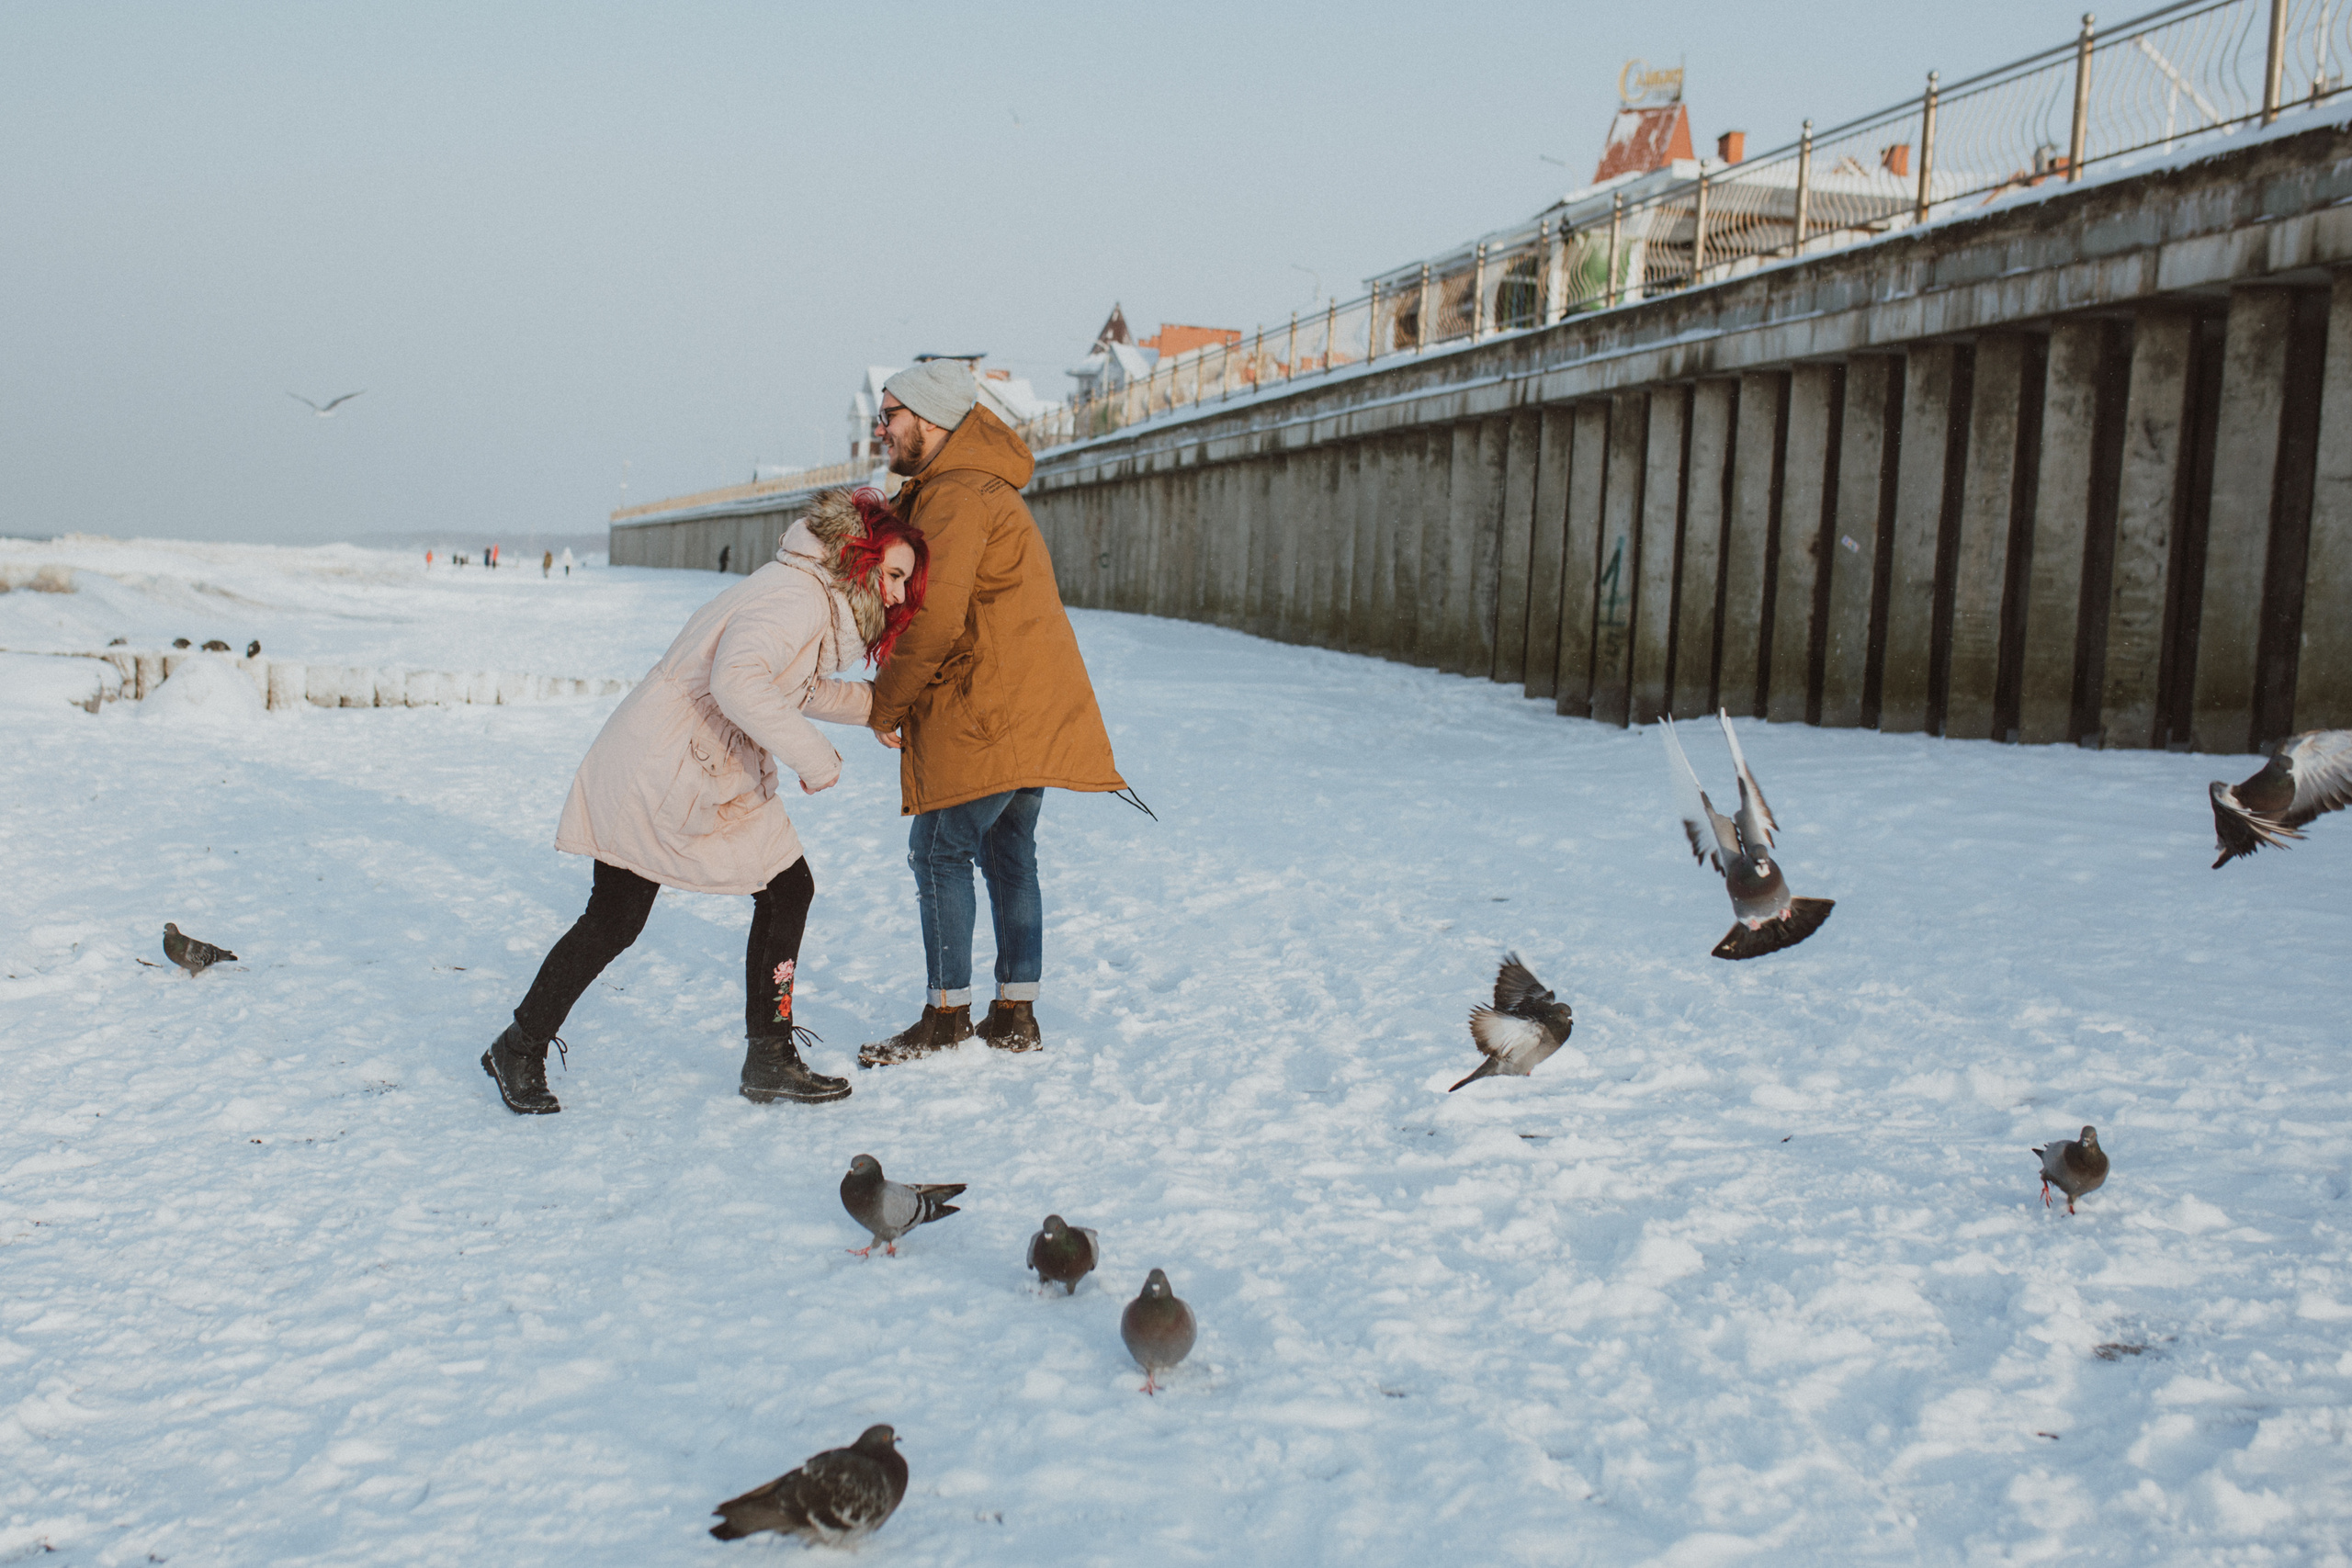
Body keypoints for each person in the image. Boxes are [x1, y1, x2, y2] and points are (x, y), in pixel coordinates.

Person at [480, 489, 930, 1115]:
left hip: (702, 765)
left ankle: (767, 1055)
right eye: (895, 574)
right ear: (861, 559)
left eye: (908, 581)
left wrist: (873, 709)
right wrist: (815, 757)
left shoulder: (809, 594)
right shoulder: (798, 596)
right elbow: (737, 679)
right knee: (616, 918)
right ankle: (519, 1046)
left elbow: (791, 684)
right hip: (663, 767)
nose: (901, 593)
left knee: (783, 889)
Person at [859, 359, 1125, 1067]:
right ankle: (1015, 1012)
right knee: (1009, 851)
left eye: (891, 414)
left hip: (993, 707)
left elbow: (937, 620)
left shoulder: (953, 496)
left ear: (933, 420)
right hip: (1026, 706)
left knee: (938, 849)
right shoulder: (973, 487)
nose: (880, 426)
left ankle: (948, 1016)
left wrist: (888, 704)